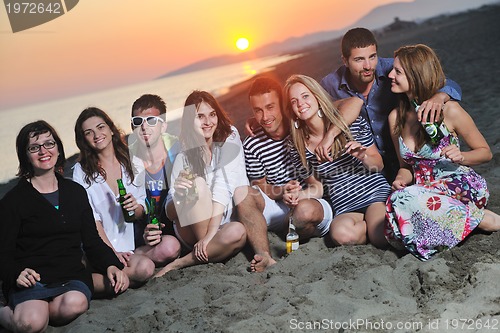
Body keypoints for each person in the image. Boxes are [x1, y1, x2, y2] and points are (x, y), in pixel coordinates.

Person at [0, 121, 128, 332]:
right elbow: (3, 252)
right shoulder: (13, 201)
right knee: (31, 324)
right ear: (25, 156)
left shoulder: (75, 192)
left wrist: (111, 264)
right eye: (34, 147)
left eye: (49, 144)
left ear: (58, 149)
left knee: (75, 304)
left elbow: (92, 239)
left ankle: (37, 310)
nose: (43, 151)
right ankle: (6, 312)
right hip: (32, 280)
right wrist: (15, 273)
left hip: (70, 276)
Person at [235, 76, 363, 272]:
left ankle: (297, 229)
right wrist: (282, 191)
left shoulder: (302, 124)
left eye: (270, 107)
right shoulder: (252, 143)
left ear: (284, 105)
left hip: (311, 200)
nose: (265, 117)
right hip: (279, 204)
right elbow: (260, 186)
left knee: (302, 213)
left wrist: (298, 194)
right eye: (257, 111)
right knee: (243, 193)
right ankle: (265, 257)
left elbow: (349, 103)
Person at [385, 44, 500, 260]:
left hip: (458, 185)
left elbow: (485, 152)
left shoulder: (450, 110)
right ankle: (468, 223)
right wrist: (401, 177)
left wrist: (462, 156)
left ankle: (484, 219)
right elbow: (406, 167)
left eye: (398, 72)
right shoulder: (395, 118)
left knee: (402, 201)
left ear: (416, 75)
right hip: (424, 192)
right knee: (394, 227)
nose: (390, 75)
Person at [320, 27, 463, 183]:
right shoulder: (330, 85)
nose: (368, 66)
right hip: (367, 168)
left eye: (372, 56)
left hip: (405, 162)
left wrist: (440, 96)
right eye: (359, 60)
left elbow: (448, 82)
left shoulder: (391, 69)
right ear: (345, 61)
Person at [284, 74, 391, 248]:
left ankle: (377, 226)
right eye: (294, 101)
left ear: (317, 97)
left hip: (373, 195)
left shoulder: (348, 123)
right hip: (344, 205)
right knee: (341, 236)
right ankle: (376, 225)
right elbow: (317, 187)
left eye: (305, 96)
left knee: (380, 237)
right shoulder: (297, 146)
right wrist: (297, 196)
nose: (301, 104)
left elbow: (379, 165)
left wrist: (362, 156)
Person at [154, 90, 247, 277]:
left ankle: (185, 260)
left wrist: (212, 234)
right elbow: (170, 212)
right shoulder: (182, 153)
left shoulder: (229, 136)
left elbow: (223, 187)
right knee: (198, 184)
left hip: (219, 225)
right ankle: (206, 248)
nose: (208, 122)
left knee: (238, 231)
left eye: (212, 114)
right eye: (200, 117)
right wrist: (180, 196)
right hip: (190, 229)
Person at [72, 107, 155, 293]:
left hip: (130, 246)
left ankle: (108, 280)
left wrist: (137, 208)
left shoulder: (133, 160)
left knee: (151, 263)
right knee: (144, 268)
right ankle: (100, 280)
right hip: (100, 249)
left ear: (111, 129)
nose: (96, 135)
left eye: (101, 127)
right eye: (88, 132)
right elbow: (92, 220)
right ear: (83, 139)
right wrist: (110, 255)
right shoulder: (81, 171)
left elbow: (141, 206)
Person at [128, 94, 181, 266]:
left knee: (170, 247)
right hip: (141, 233)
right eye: (138, 122)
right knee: (168, 247)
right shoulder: (126, 162)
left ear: (163, 126)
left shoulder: (178, 153)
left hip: (176, 227)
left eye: (151, 120)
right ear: (132, 127)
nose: (144, 127)